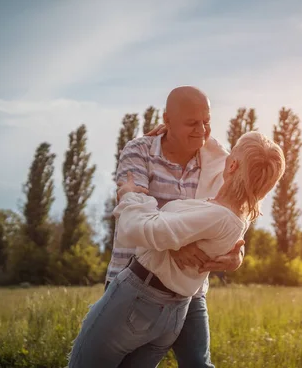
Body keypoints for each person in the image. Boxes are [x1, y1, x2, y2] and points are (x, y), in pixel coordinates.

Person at [68, 131, 286, 367]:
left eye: (230, 154)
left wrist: (129, 195)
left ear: (232, 165)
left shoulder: (217, 215)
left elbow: (136, 229)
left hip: (138, 298)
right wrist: (176, 127)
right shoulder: (236, 217)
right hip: (172, 313)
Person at [103, 86, 243, 367]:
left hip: (187, 290)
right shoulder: (138, 151)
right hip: (132, 282)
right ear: (167, 121)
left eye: (206, 121)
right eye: (192, 123)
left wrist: (237, 252)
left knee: (197, 364)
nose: (202, 130)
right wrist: (175, 245)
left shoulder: (217, 163)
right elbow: (135, 213)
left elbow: (232, 215)